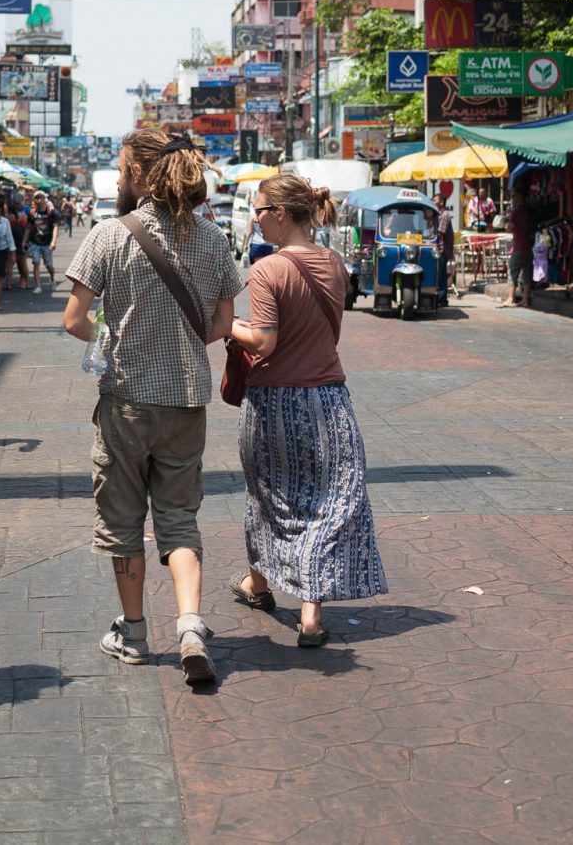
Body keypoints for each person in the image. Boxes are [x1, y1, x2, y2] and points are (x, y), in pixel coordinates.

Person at [63, 128, 241, 686]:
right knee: (178, 518)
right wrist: (178, 344)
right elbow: (222, 324)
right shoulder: (213, 240)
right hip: (187, 402)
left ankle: (135, 632)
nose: (118, 178)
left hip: (127, 403)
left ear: (141, 174)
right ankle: (190, 625)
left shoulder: (110, 236)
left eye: (121, 169)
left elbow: (73, 319)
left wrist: (113, 340)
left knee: (122, 522)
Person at [227, 176, 386, 646]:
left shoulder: (267, 269)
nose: (254, 219)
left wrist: (225, 325)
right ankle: (304, 610)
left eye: (259, 210)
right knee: (330, 500)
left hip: (274, 402)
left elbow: (265, 340)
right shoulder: (334, 264)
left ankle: (260, 583)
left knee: (271, 496)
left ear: (281, 213)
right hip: (330, 402)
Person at [499, 185, 534, 308]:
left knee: (512, 272)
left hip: (519, 246)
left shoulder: (516, 212)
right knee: (527, 274)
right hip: (529, 246)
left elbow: (509, 229)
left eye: (514, 196)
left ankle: (510, 298)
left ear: (520, 197)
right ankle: (525, 299)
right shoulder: (529, 211)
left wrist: (508, 221)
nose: (512, 199)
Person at [26, 191, 60, 293]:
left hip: (47, 243)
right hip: (35, 242)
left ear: (45, 199)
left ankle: (52, 278)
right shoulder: (32, 213)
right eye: (37, 198)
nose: (39, 200)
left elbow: (55, 227)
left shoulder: (50, 212)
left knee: (48, 264)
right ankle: (38, 286)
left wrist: (53, 241)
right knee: (36, 263)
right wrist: (24, 241)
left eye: (41, 198)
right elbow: (28, 228)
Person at [433, 191, 455, 308]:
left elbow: (441, 232)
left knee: (441, 275)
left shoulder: (445, 214)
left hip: (442, 249)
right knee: (437, 274)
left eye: (435, 200)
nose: (433, 201)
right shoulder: (437, 214)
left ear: (441, 202)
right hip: (437, 249)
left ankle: (442, 299)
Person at [10, 203, 31, 290]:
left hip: (18, 241)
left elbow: (27, 229)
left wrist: (24, 241)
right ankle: (24, 280)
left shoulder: (11, 217)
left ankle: (26, 281)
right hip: (20, 241)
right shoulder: (23, 216)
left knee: (21, 263)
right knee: (20, 263)